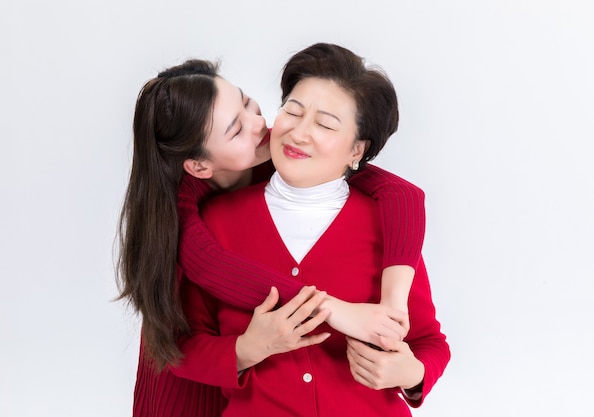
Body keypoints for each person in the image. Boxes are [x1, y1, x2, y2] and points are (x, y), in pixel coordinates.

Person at [118, 54, 428, 416]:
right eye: (235, 129)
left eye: (248, 103)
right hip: (189, 392)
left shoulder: (293, 160)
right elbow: (207, 271)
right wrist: (329, 311)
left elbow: (402, 193)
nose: (260, 123)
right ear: (200, 165)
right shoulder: (189, 218)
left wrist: (396, 315)